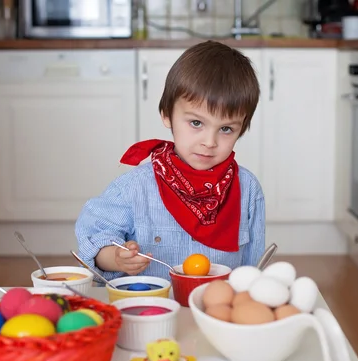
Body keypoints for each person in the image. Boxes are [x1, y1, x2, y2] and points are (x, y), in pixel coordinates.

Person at [75, 40, 266, 282]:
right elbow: (94, 240)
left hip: (213, 315)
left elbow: (253, 269)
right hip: (148, 309)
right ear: (167, 115)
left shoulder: (248, 190)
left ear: (242, 129)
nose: (210, 141)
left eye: (226, 129)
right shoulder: (135, 187)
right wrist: (116, 257)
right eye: (196, 123)